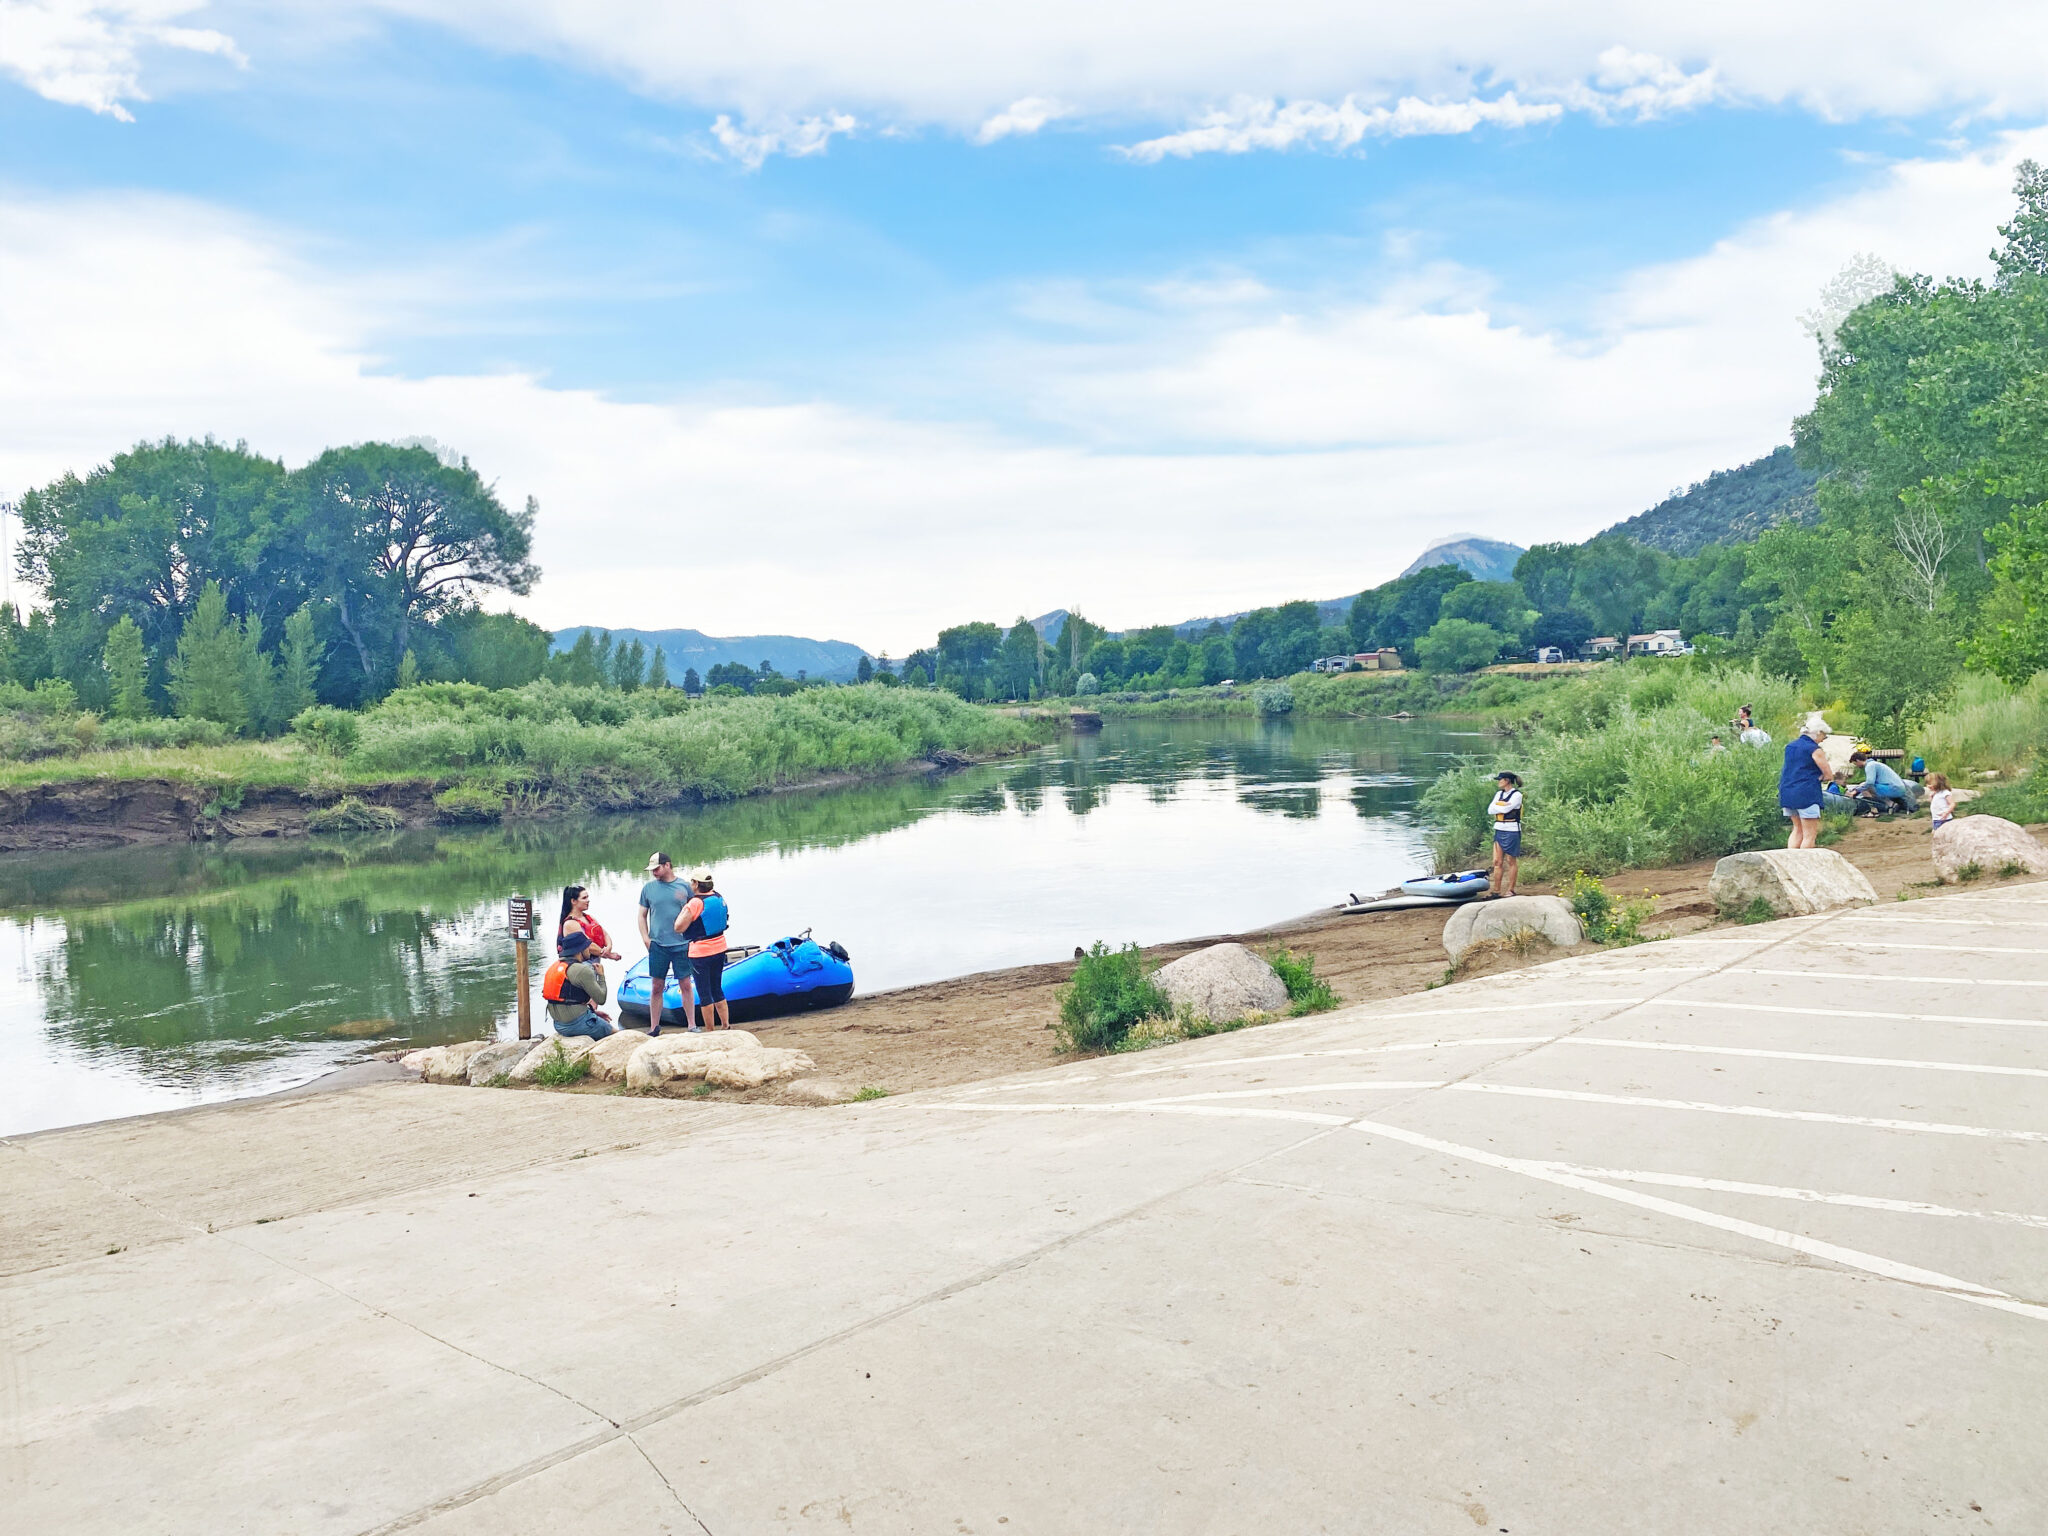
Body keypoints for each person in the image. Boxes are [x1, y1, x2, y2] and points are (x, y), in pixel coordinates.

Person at [638, 852, 698, 1035]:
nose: (654, 873)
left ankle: (691, 1025)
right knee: (656, 985)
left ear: (667, 865)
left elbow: (694, 913)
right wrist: (645, 938)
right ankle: (654, 1027)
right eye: (652, 870)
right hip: (658, 944)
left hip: (682, 943)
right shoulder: (648, 889)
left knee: (685, 984)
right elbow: (641, 915)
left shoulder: (684, 887)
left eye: (657, 869)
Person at [676, 868, 733, 1030]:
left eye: (691, 882)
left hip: (700, 952)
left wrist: (684, 909)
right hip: (720, 947)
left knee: (704, 993)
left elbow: (679, 927)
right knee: (717, 988)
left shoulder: (695, 903)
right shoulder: (718, 896)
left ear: (696, 884)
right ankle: (725, 1025)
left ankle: (710, 1030)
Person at [543, 925, 615, 1040]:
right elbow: (601, 999)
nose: (589, 949)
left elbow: (568, 999)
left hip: (558, 1025)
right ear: (580, 950)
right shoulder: (582, 970)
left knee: (598, 1021)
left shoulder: (554, 967)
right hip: (576, 1025)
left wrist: (592, 1013)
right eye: (587, 946)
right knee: (617, 1034)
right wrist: (601, 975)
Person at [1779, 720, 1833, 849]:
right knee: (1809, 834)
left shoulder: (1790, 746)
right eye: (1824, 735)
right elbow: (1828, 775)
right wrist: (1821, 778)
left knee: (1797, 829)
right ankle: (1805, 864)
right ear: (1818, 733)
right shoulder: (1814, 749)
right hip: (1806, 793)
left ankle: (1791, 861)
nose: (1824, 739)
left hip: (1787, 790)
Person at [557, 884, 621, 961]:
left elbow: (605, 934)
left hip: (595, 961)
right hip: (582, 965)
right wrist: (609, 955)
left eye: (587, 897)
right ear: (573, 901)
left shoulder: (589, 918)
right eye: (584, 898)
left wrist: (609, 947)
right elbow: (587, 945)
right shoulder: (570, 923)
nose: (588, 900)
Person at [1848, 749, 1919, 815]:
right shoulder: (1874, 764)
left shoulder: (1870, 766)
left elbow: (1869, 783)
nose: (1856, 766)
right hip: (1898, 788)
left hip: (1895, 789)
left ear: (1858, 760)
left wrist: (1855, 791)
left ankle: (1883, 807)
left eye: (1855, 764)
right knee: (1865, 785)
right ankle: (1890, 804)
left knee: (1866, 789)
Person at [1487, 771, 1522, 898]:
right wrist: (1502, 805)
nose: (1498, 782)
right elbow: (1490, 810)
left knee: (1510, 860)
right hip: (1499, 828)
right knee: (1497, 861)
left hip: (1512, 829)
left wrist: (1500, 805)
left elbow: (1508, 809)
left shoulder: (1517, 795)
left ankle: (1511, 890)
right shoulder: (1498, 794)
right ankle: (1496, 890)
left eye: (1500, 780)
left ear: (1507, 780)